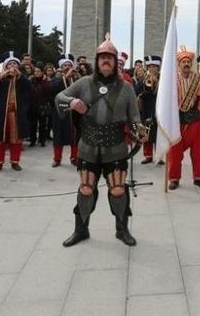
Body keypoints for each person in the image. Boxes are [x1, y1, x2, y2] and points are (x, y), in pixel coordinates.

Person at [56, 34, 142, 247]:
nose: (106, 61)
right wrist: (72, 100)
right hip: (89, 145)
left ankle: (122, 230)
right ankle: (81, 230)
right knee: (86, 189)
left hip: (115, 147)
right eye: (102, 57)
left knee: (118, 190)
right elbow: (59, 97)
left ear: (115, 62)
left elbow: (135, 119)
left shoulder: (127, 88)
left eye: (110, 57)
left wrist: (139, 132)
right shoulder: (84, 83)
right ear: (96, 61)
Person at [167, 47, 200, 190]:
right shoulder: (172, 79)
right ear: (179, 64)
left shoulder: (199, 78)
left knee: (198, 151)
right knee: (175, 152)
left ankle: (198, 178)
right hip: (178, 119)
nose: (186, 64)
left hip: (195, 119)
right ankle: (174, 178)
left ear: (191, 64)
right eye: (183, 61)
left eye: (188, 61)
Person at [0, 52, 30, 172]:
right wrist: (2, 75)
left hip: (16, 114)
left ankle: (15, 162)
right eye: (10, 64)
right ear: (5, 66)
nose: (12, 66)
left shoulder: (21, 79)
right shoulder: (1, 78)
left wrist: (20, 76)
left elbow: (29, 88)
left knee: (16, 140)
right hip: (1, 114)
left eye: (15, 64)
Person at [50, 54, 81, 167]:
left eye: (69, 64)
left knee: (75, 137)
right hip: (60, 112)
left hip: (74, 113)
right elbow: (52, 90)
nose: (67, 66)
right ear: (61, 67)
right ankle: (57, 159)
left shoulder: (77, 78)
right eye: (65, 65)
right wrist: (65, 77)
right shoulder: (56, 78)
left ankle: (74, 158)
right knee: (58, 136)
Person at [136, 55, 160, 164]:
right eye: (149, 66)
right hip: (146, 109)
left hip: (158, 108)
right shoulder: (143, 78)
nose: (151, 69)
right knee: (145, 132)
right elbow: (137, 91)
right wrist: (145, 84)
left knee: (157, 134)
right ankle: (148, 155)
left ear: (158, 67)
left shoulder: (163, 79)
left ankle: (159, 155)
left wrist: (157, 84)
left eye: (153, 66)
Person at [29, 66, 52, 147]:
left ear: (42, 72)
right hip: (33, 106)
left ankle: (42, 140)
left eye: (38, 71)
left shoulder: (46, 82)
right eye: (35, 71)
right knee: (33, 124)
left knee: (42, 125)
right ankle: (32, 140)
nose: (36, 73)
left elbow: (48, 92)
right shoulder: (31, 81)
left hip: (42, 106)